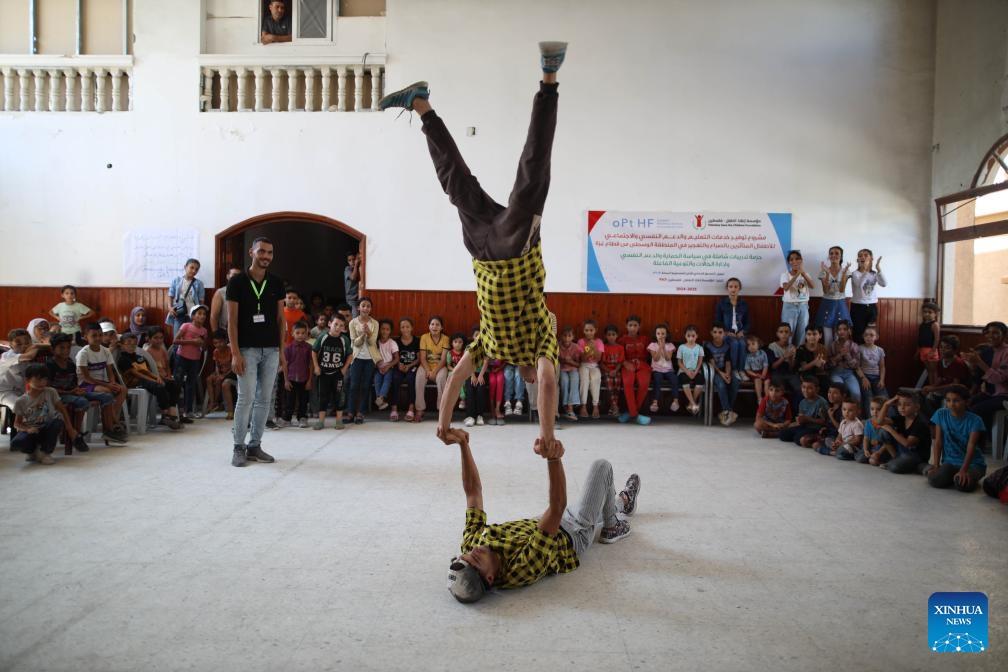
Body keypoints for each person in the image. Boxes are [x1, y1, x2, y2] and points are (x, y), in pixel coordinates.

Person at [378, 41, 568, 449]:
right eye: (532, 377)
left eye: (529, 379)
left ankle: (421, 104)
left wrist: (444, 424)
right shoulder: (543, 337)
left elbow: (459, 375)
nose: (531, 378)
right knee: (533, 173)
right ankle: (549, 79)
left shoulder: (489, 343)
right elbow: (550, 379)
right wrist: (547, 436)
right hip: (516, 248)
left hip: (481, 248)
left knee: (455, 180)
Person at [445, 434, 640, 604]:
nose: (474, 551)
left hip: (544, 521)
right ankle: (612, 526)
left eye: (466, 555)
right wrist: (553, 459)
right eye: (476, 559)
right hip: (574, 531)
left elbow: (473, 492)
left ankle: (622, 501)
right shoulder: (520, 569)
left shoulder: (470, 546)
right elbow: (557, 508)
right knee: (602, 467)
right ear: (489, 578)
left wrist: (463, 444)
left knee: (600, 496)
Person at [227, 237, 286, 468]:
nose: (266, 257)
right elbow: (231, 322)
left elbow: (281, 320)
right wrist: (235, 353)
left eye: (270, 253)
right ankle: (238, 447)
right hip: (247, 350)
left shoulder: (276, 283)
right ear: (252, 252)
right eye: (261, 251)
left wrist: (281, 351)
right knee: (246, 398)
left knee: (264, 399)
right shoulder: (238, 282)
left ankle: (255, 445)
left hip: (271, 349)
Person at [11, 364, 83, 465]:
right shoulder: (21, 401)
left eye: (44, 379)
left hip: (47, 427)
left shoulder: (50, 392)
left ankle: (45, 452)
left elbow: (62, 409)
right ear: (28, 380)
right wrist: (28, 429)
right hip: (32, 430)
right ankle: (32, 451)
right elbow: (17, 424)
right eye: (38, 379)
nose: (42, 383)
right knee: (16, 443)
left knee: (57, 422)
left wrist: (70, 428)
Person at [117, 332, 182, 430]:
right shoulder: (123, 359)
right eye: (128, 343)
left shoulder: (140, 357)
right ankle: (165, 413)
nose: (132, 345)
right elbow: (136, 373)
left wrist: (157, 377)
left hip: (147, 379)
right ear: (121, 345)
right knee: (159, 386)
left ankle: (171, 412)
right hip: (135, 382)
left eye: (134, 343)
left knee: (173, 384)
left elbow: (147, 371)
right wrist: (154, 380)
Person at [75, 323, 128, 443]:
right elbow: (86, 378)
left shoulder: (105, 351)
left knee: (122, 389)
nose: (98, 338)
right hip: (85, 385)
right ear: (85, 337)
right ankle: (114, 424)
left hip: (102, 383)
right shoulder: (83, 353)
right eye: (94, 336)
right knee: (108, 391)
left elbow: (110, 371)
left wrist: (113, 383)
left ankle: (112, 421)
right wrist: (108, 386)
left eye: (100, 335)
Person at [927, 385, 986, 492]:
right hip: (950, 462)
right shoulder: (941, 414)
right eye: (948, 400)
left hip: (973, 463)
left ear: (966, 402)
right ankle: (951, 475)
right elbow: (938, 441)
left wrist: (964, 470)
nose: (951, 404)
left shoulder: (975, 420)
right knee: (935, 480)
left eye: (956, 401)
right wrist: (936, 466)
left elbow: (971, 446)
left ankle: (968, 476)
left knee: (963, 486)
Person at [46, 333, 96, 452]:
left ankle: (75, 432)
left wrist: (77, 390)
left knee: (105, 397)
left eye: (68, 347)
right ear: (53, 350)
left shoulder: (70, 364)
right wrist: (70, 392)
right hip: (55, 396)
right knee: (82, 402)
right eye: (61, 348)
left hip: (70, 393)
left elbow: (73, 383)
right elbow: (47, 389)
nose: (66, 351)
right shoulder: (49, 365)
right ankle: (76, 434)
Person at [965, 321, 1008, 438]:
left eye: (995, 333)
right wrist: (972, 365)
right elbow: (979, 376)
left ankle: (978, 442)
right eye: (988, 333)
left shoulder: (1006, 352)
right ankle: (978, 440)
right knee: (966, 405)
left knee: (976, 411)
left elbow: (998, 379)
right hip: (990, 392)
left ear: (1004, 335)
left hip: (1004, 395)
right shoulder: (987, 351)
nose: (990, 336)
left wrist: (979, 362)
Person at [312, 314, 352, 430]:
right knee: (322, 396)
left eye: (341, 325)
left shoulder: (344, 340)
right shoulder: (322, 337)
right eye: (336, 324)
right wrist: (316, 367)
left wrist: (344, 368)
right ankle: (321, 421)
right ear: (329, 324)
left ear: (344, 328)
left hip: (337, 374)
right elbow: (314, 351)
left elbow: (350, 355)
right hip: (323, 373)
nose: (338, 327)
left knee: (339, 396)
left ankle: (339, 421)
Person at [875, 391, 931, 473]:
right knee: (882, 431)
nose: (902, 407)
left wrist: (891, 430)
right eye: (899, 404)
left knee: (894, 467)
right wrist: (886, 405)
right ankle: (898, 459)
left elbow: (907, 443)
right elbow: (879, 422)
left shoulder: (920, 423)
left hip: (917, 455)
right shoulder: (901, 418)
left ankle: (920, 465)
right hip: (903, 452)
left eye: (907, 405)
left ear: (916, 407)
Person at [346, 296, 379, 425]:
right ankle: (350, 412)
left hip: (370, 359)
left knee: (365, 386)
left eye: (368, 306)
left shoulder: (375, 323)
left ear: (371, 309)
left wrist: (369, 333)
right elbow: (355, 343)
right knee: (354, 385)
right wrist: (364, 333)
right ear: (358, 308)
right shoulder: (352, 323)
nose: (366, 308)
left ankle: (360, 413)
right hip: (356, 358)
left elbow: (372, 342)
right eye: (363, 305)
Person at [174, 304, 209, 420]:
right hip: (181, 358)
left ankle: (188, 410)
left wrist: (201, 343)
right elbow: (175, 340)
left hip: (195, 360)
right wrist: (192, 341)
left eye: (204, 314)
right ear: (193, 316)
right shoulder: (186, 326)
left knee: (190, 385)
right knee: (177, 383)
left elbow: (204, 348)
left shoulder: (204, 331)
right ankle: (175, 409)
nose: (202, 316)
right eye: (199, 314)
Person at [413, 316, 449, 423]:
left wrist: (434, 372)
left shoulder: (446, 339)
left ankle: (441, 410)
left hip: (440, 366)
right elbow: (422, 358)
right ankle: (419, 410)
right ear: (429, 326)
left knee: (442, 379)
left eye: (437, 324)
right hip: (426, 365)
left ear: (441, 327)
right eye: (432, 324)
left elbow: (443, 360)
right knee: (419, 378)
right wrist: (428, 371)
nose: (434, 327)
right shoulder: (424, 337)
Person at [814, 245, 851, 347]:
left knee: (839, 335)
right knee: (828, 337)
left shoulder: (846, 271)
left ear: (841, 256)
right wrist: (826, 274)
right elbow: (825, 291)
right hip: (827, 303)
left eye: (837, 253)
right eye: (831, 253)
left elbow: (842, 289)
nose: (833, 255)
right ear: (829, 256)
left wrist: (843, 274)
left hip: (840, 303)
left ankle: (838, 361)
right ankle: (827, 361)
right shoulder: (823, 271)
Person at [714, 277, 750, 377]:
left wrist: (743, 331)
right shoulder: (721, 303)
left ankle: (741, 370)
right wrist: (725, 331)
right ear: (727, 288)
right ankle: (734, 370)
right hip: (726, 333)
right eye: (730, 286)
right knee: (734, 343)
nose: (733, 289)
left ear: (739, 288)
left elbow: (747, 322)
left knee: (742, 343)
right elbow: (717, 322)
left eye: (735, 287)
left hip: (739, 332)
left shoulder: (744, 304)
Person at [849, 249, 886, 343]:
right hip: (858, 307)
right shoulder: (855, 274)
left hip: (872, 307)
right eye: (860, 255)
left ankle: (868, 354)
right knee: (858, 332)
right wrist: (865, 271)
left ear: (871, 259)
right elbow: (860, 286)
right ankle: (858, 355)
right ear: (857, 260)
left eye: (866, 255)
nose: (863, 257)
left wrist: (879, 269)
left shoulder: (874, 274)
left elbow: (884, 284)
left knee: (870, 333)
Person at [706, 322, 739, 426]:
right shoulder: (708, 346)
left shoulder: (727, 346)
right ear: (711, 333)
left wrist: (728, 374)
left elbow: (728, 362)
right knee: (721, 384)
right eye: (715, 332)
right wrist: (722, 374)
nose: (717, 334)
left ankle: (726, 412)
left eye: (720, 332)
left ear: (724, 334)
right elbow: (711, 363)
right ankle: (728, 411)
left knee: (736, 381)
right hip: (714, 371)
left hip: (725, 371)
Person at [779, 376, 828, 446]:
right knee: (783, 434)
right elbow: (801, 420)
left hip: (815, 428)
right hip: (804, 427)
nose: (805, 390)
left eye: (810, 388)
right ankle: (802, 436)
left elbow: (824, 421)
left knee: (797, 438)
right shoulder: (802, 402)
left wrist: (808, 419)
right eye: (804, 387)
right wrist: (799, 421)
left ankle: (817, 437)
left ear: (817, 389)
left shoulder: (821, 402)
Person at [282, 321, 314, 428]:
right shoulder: (288, 348)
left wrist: (309, 380)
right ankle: (287, 418)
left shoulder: (309, 348)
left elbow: (311, 364)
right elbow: (285, 365)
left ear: (307, 334)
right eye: (298, 333)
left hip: (304, 379)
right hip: (291, 378)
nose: (300, 335)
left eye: (303, 333)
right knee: (289, 401)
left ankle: (302, 418)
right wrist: (286, 380)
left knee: (303, 400)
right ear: (292, 333)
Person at [780, 250, 813, 346]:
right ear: (789, 262)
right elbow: (786, 288)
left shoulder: (805, 274)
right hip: (789, 306)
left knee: (802, 331)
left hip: (803, 306)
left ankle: (798, 354)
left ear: (801, 260)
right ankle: (788, 355)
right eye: (791, 260)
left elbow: (812, 286)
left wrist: (803, 274)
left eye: (797, 259)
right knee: (788, 332)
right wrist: (797, 274)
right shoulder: (785, 275)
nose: (794, 261)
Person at [166, 258, 205, 339]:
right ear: (185, 267)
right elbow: (170, 295)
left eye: (196, 269)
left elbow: (201, 301)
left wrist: (200, 314)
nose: (194, 271)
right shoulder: (176, 281)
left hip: (193, 315)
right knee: (177, 337)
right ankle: (176, 351)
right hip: (179, 313)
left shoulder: (199, 283)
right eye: (192, 267)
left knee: (191, 336)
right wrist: (170, 307)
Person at [390, 318, 420, 422]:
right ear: (400, 329)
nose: (405, 329)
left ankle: (411, 409)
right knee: (395, 379)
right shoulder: (396, 342)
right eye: (403, 327)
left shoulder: (416, 341)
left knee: (412, 380)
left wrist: (409, 366)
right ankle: (394, 409)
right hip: (399, 367)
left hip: (412, 367)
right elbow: (394, 356)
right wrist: (399, 364)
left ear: (412, 328)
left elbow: (418, 358)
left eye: (407, 327)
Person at [827, 319, 861, 404]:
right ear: (836, 332)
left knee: (856, 394)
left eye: (845, 329)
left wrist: (848, 355)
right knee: (839, 391)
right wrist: (839, 356)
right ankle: (839, 414)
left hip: (849, 374)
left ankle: (854, 415)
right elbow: (828, 365)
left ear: (849, 331)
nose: (842, 331)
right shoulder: (832, 345)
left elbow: (856, 365)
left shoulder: (854, 346)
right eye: (839, 329)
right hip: (835, 373)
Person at [647, 322, 678, 415]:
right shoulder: (652, 345)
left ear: (667, 334)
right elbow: (655, 359)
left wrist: (664, 347)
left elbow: (668, 358)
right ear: (655, 335)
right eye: (658, 334)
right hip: (657, 370)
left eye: (663, 334)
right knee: (657, 380)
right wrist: (660, 347)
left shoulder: (670, 345)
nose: (661, 336)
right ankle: (655, 402)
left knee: (674, 380)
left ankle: (675, 400)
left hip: (668, 370)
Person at [206, 328, 237, 418]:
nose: (218, 345)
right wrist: (218, 374)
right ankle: (213, 402)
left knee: (223, 383)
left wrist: (223, 376)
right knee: (209, 379)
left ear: (226, 341)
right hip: (221, 372)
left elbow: (233, 367)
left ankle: (230, 411)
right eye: (215, 343)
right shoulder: (215, 352)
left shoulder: (230, 350)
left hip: (232, 372)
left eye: (220, 342)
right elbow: (216, 365)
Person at [676, 325, 705, 416]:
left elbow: (700, 362)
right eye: (688, 336)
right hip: (684, 371)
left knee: (701, 379)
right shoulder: (682, 347)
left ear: (697, 336)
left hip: (695, 371)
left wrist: (696, 371)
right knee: (684, 379)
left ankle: (691, 403)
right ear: (685, 336)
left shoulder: (699, 348)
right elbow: (679, 362)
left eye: (693, 336)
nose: (691, 338)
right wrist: (687, 371)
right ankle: (693, 404)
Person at [578, 320, 604, 419]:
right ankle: (583, 406)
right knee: (584, 380)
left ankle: (595, 406)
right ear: (583, 331)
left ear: (595, 330)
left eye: (591, 330)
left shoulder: (599, 342)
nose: (589, 332)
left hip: (594, 365)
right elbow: (583, 358)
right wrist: (589, 348)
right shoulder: (581, 342)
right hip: (584, 365)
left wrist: (595, 348)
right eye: (586, 330)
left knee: (596, 379)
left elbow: (598, 358)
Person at [373, 319, 400, 412]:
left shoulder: (392, 343)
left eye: (387, 329)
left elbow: (397, 358)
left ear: (390, 331)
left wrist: (388, 366)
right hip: (378, 367)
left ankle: (380, 398)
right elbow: (373, 356)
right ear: (379, 330)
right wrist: (378, 366)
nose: (385, 331)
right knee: (377, 380)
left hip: (389, 367)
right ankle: (380, 399)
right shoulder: (375, 342)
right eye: (383, 329)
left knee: (387, 380)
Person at [600, 325, 625, 417]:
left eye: (613, 334)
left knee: (617, 384)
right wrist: (609, 371)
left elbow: (620, 362)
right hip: (606, 370)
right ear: (606, 336)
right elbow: (601, 363)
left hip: (616, 370)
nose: (611, 337)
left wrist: (615, 370)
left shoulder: (620, 348)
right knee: (609, 383)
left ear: (617, 335)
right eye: (609, 335)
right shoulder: (603, 347)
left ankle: (612, 407)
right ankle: (615, 406)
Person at [557, 327, 581, 421]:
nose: (567, 338)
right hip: (562, 369)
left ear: (573, 337)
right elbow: (557, 360)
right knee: (564, 381)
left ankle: (570, 407)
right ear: (561, 336)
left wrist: (570, 361)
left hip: (573, 369)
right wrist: (564, 360)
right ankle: (566, 406)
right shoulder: (558, 346)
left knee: (575, 379)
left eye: (569, 336)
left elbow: (578, 364)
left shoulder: (576, 347)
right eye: (565, 336)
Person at [210, 267, 243, 334]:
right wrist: (216, 334)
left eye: (239, 276)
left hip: (242, 330)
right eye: (234, 275)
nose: (236, 278)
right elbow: (214, 316)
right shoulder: (220, 292)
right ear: (228, 276)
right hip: (225, 331)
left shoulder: (245, 292)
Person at [917, 301, 941, 383]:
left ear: (935, 314)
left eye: (930, 312)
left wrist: (933, 350)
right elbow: (920, 338)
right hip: (923, 349)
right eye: (925, 312)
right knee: (929, 371)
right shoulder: (922, 325)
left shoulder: (935, 325)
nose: (927, 314)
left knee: (934, 371)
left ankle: (935, 387)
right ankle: (931, 387)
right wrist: (918, 350)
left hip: (931, 349)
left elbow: (937, 339)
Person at [742, 335, 770, 404]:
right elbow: (747, 369)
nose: (751, 346)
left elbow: (765, 365)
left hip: (763, 371)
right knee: (757, 380)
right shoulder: (748, 357)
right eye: (749, 345)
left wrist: (763, 374)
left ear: (758, 344)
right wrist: (755, 374)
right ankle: (759, 399)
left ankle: (767, 399)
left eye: (753, 344)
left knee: (767, 381)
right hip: (754, 372)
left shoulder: (763, 353)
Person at [344, 250, 361, 316]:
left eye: (353, 259)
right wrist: (356, 265)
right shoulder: (347, 269)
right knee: (355, 316)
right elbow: (353, 278)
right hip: (351, 299)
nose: (352, 262)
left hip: (358, 298)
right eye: (349, 260)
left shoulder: (359, 268)